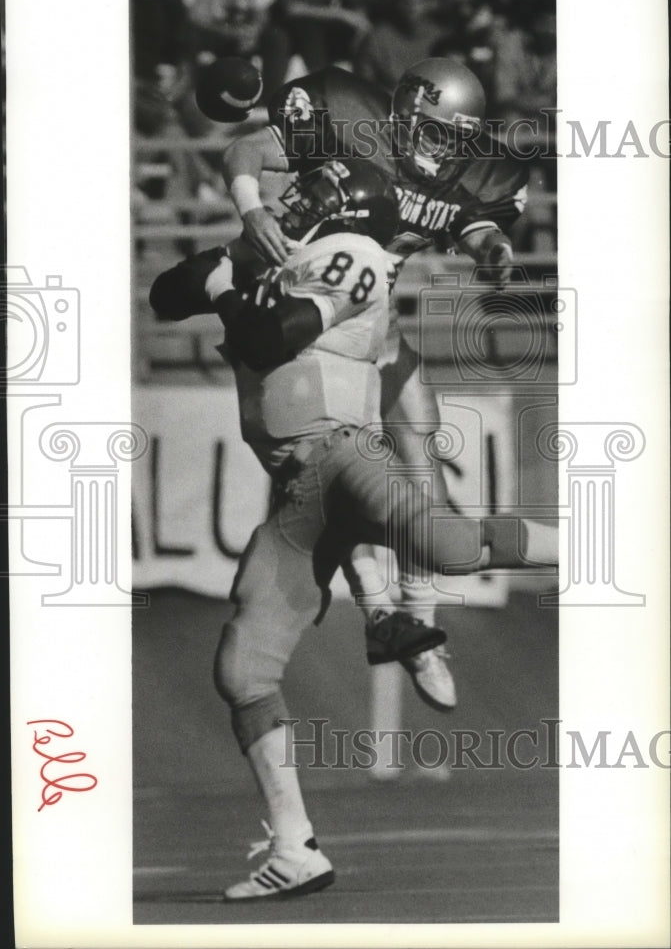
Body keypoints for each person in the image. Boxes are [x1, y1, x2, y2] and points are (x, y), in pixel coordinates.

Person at [150, 158, 556, 899]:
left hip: (345, 453)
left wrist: (226, 289)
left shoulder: (358, 257)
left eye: (322, 196)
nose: (299, 200)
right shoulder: (274, 250)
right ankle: (295, 847)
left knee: (451, 548)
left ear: (352, 216)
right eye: (305, 190)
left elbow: (274, 338)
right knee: (242, 672)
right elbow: (161, 296)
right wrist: (225, 266)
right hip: (298, 496)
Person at [218, 57, 530, 713]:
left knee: (418, 438)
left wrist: (491, 242)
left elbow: (466, 218)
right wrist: (251, 211)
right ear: (402, 114)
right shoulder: (348, 124)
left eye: (452, 137)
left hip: (371, 328)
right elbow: (245, 147)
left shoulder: (469, 176)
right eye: (431, 131)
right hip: (305, 320)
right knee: (336, 467)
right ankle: (378, 605)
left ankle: (416, 626)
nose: (438, 148)